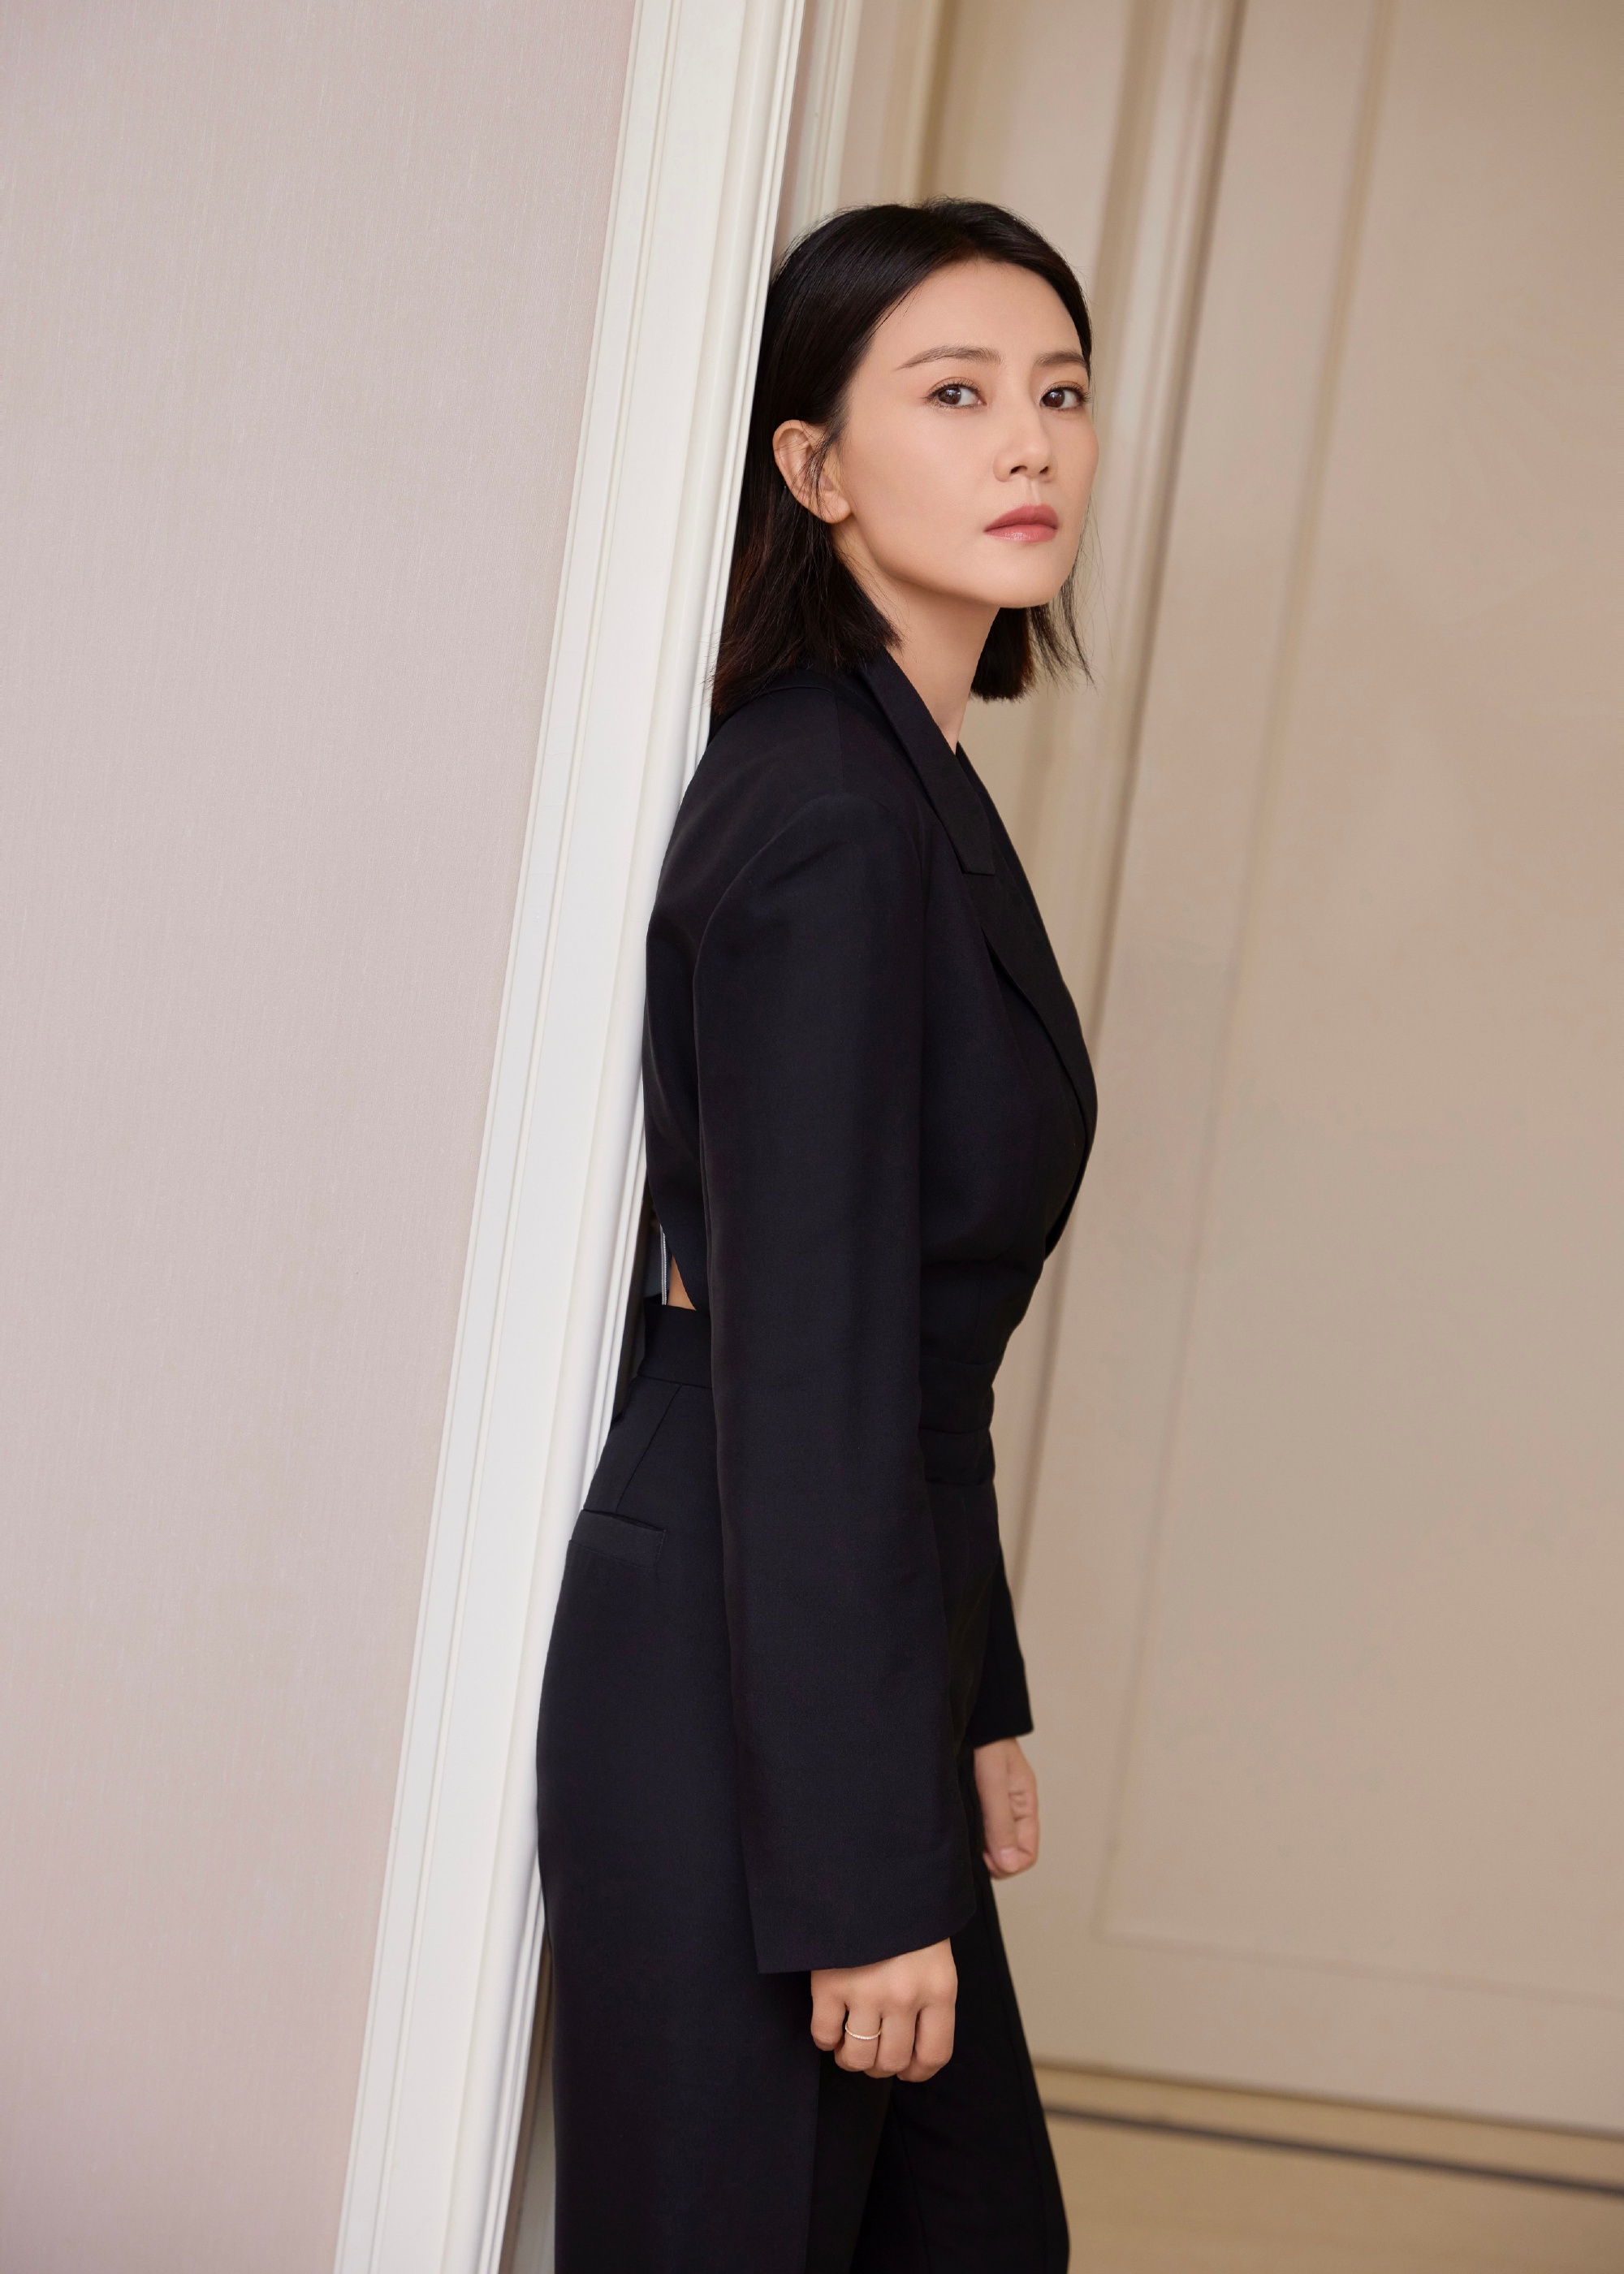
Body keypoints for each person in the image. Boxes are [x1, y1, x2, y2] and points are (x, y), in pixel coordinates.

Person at [537, 198, 1099, 2272]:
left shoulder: (909, 777)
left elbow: (916, 1341)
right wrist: (866, 1869)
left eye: (1058, 393)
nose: (1027, 441)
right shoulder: (825, 809)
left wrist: (976, 1685)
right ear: (816, 464)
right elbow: (807, 1365)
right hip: (739, 1692)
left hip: (856, 1668)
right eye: (953, 394)